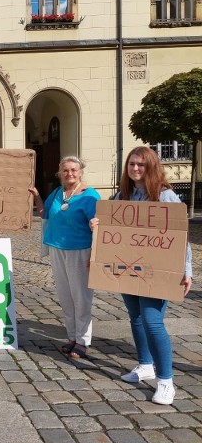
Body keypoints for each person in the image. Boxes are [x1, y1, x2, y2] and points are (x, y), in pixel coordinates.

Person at [90, 146, 192, 405]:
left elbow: (182, 237)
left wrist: (186, 270)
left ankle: (166, 381)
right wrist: (97, 224)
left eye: (140, 164)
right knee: (135, 317)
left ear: (151, 166)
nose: (135, 169)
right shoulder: (122, 196)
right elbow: (108, 224)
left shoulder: (165, 195)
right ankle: (145, 365)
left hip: (157, 272)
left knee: (152, 321)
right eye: (131, 164)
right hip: (128, 268)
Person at [29, 156, 100, 359]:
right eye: (65, 170)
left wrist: (94, 255)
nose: (69, 173)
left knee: (81, 297)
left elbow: (99, 227)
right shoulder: (58, 193)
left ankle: (83, 340)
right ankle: (72, 337)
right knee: (65, 296)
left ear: (80, 172)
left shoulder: (90, 196)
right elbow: (44, 213)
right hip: (57, 249)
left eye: (73, 170)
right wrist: (36, 196)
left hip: (80, 251)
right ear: (60, 173)